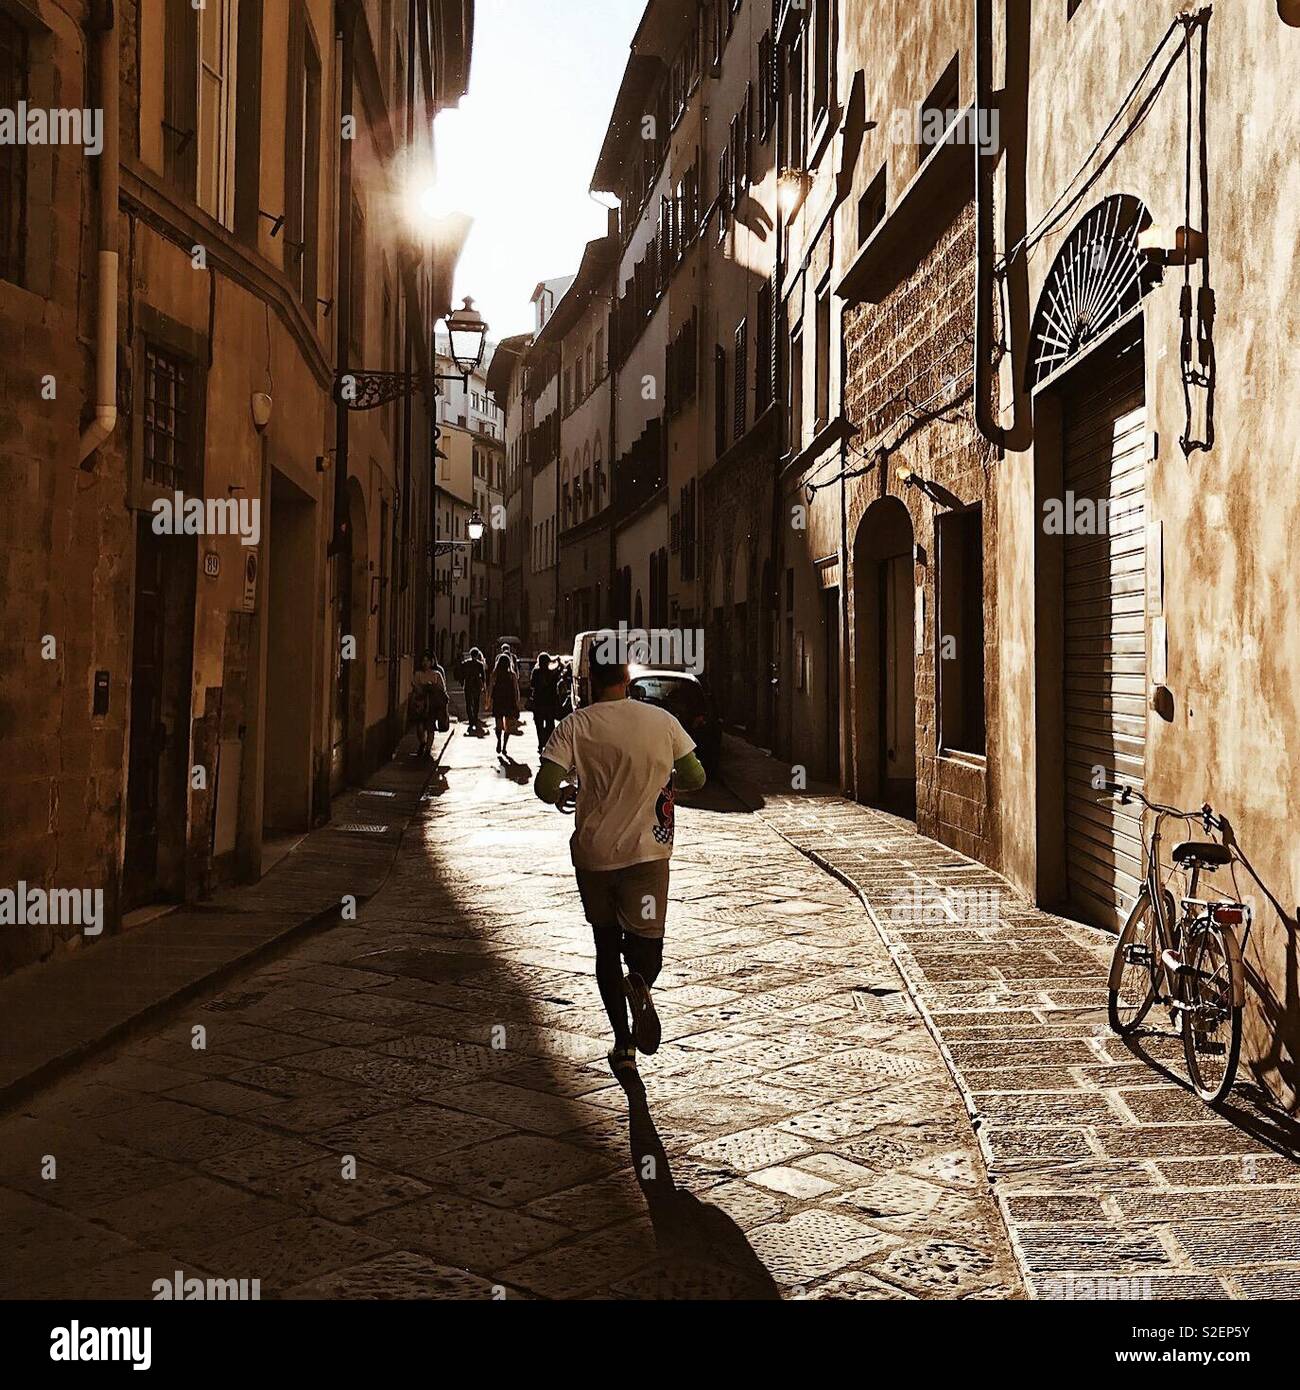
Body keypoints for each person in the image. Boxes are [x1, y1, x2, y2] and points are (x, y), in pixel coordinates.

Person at [533, 647, 706, 1079]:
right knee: (648, 946)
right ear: (628, 677)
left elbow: (545, 785)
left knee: (605, 946)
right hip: (646, 856)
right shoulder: (662, 722)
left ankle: (623, 1043)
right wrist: (662, 779)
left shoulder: (575, 726)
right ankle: (641, 982)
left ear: (590, 675)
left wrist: (565, 793)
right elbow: (696, 778)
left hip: (594, 858)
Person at [410, 652, 448, 758]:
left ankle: (428, 750)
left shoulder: (437, 674)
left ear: (432, 662)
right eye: (424, 660)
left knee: (430, 728)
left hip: (432, 705)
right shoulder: (418, 674)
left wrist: (433, 687)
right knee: (420, 727)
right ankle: (422, 742)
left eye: (427, 660)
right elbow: (414, 687)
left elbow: (442, 689)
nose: (425, 663)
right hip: (421, 705)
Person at [490, 651, 522, 757]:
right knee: (507, 726)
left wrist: (488, 701)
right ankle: (504, 746)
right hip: (509, 701)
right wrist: (517, 703)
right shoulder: (512, 675)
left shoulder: (495, 674)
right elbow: (516, 690)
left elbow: (490, 688)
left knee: (498, 725)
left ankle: (499, 740)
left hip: (498, 701)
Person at [528, 652, 561, 753]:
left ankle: (540, 743)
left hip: (538, 703)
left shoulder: (536, 672)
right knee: (550, 724)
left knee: (539, 725)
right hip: (550, 703)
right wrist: (558, 663)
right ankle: (548, 743)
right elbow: (557, 681)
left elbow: (532, 685)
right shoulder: (552, 672)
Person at [460, 647, 487, 732]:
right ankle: (474, 718)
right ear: (477, 655)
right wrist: (483, 686)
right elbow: (483, 677)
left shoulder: (466, 663)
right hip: (476, 686)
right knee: (476, 703)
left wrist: (462, 683)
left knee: (468, 704)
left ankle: (471, 720)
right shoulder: (480, 664)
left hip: (468, 685)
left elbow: (462, 674)